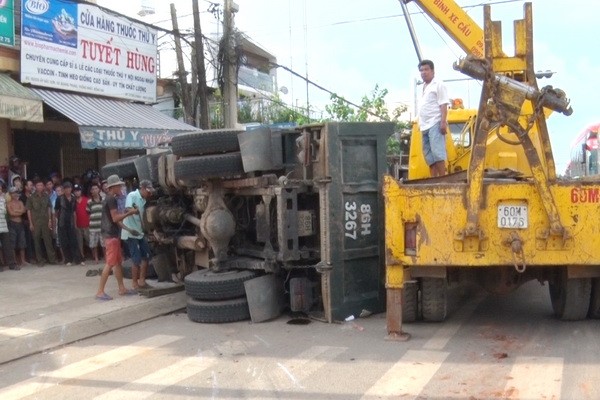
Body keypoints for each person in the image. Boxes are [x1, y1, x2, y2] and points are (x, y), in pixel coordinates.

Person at [96, 175, 139, 300]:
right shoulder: (111, 200)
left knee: (117, 263)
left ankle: (122, 288)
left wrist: (128, 229)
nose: (121, 188)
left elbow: (114, 220)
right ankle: (100, 291)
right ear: (113, 187)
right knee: (110, 263)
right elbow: (115, 218)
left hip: (112, 234)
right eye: (119, 186)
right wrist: (129, 213)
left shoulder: (108, 199)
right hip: (111, 236)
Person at [418, 59, 450, 177]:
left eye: (426, 69)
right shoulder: (423, 87)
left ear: (432, 71)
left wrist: (443, 122)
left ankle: (442, 178)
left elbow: (443, 104)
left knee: (437, 153)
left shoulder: (438, 84)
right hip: (424, 125)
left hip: (435, 122)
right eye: (421, 70)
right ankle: (433, 178)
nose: (423, 72)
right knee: (429, 155)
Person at [122, 180, 154, 290]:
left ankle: (142, 281)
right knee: (136, 259)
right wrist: (133, 210)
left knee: (146, 257)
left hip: (140, 232)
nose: (150, 194)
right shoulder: (132, 195)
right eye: (148, 192)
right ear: (143, 189)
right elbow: (127, 208)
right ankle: (135, 284)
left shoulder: (144, 200)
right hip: (131, 232)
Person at [27, 179, 57, 266]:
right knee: (36, 241)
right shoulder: (31, 197)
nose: (40, 187)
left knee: (48, 240)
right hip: (36, 222)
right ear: (35, 187)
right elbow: (28, 210)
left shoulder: (46, 196)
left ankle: (52, 259)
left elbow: (49, 208)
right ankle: (40, 260)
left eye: (41, 185)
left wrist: (50, 220)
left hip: (45, 221)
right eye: (38, 185)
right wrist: (31, 223)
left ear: (43, 187)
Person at [54, 182, 83, 266]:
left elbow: (74, 212)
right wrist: (58, 219)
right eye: (66, 188)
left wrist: (75, 223)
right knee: (64, 242)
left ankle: (78, 259)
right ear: (63, 189)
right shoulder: (59, 199)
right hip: (62, 222)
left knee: (74, 241)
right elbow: (56, 211)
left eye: (69, 188)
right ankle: (68, 260)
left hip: (71, 222)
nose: (68, 190)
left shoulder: (73, 199)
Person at [7, 187, 28, 267]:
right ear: (10, 194)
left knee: (22, 242)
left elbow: (24, 211)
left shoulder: (20, 202)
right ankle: (14, 261)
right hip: (12, 224)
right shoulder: (8, 204)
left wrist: (16, 211)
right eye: (13, 193)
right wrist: (19, 211)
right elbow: (11, 213)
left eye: (16, 192)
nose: (15, 194)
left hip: (20, 224)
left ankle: (23, 261)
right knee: (13, 243)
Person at [0, 183, 18, 271]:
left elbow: (5, 212)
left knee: (7, 246)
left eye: (0, 189)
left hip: (4, 227)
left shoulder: (3, 200)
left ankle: (12, 264)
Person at [86, 183, 104, 263]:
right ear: (91, 191)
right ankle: (96, 258)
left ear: (99, 189)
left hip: (102, 225)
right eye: (92, 189)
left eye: (96, 188)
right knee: (94, 244)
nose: (94, 190)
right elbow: (88, 213)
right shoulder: (89, 202)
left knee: (104, 244)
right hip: (93, 226)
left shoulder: (103, 200)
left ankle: (106, 257)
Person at [73, 184, 90, 261]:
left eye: (78, 191)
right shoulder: (73, 201)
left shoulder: (87, 200)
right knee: (79, 242)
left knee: (89, 241)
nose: (77, 192)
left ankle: (93, 255)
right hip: (78, 225)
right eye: (76, 191)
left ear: (81, 191)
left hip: (87, 224)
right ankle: (82, 256)